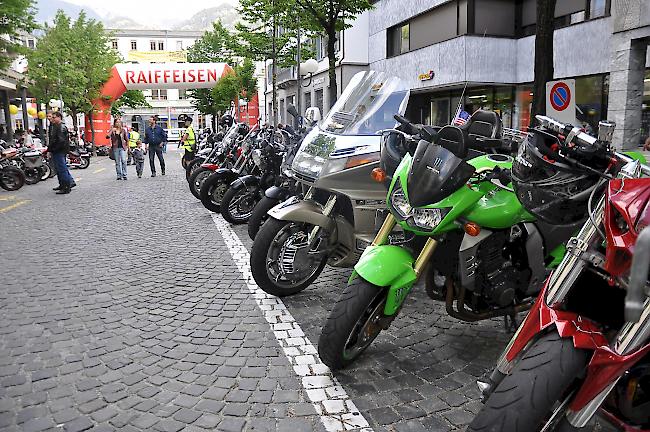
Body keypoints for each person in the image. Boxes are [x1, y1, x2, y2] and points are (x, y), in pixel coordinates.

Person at [48, 111, 75, 194]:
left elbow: (60, 141)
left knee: (62, 169)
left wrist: (53, 149)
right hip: (58, 150)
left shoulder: (61, 127)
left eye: (54, 117)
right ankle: (62, 185)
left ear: (59, 117)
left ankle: (66, 186)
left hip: (59, 151)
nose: (52, 119)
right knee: (59, 169)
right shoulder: (56, 126)